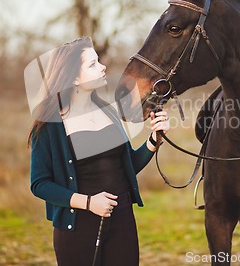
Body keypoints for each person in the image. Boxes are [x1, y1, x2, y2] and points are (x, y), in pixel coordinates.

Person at [27, 37, 169, 266]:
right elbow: (40, 183)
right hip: (79, 225)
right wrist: (88, 202)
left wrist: (154, 139)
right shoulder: (50, 124)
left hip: (122, 218)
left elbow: (126, 165)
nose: (103, 67)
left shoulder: (108, 112)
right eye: (93, 64)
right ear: (73, 77)